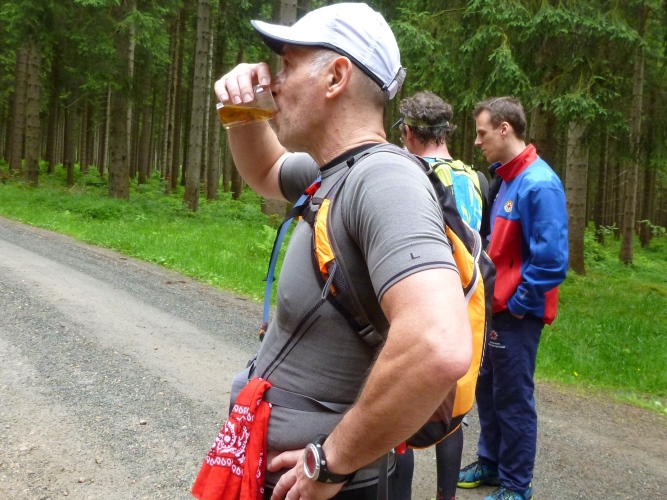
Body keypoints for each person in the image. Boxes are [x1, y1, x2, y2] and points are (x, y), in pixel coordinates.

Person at [202, 3, 474, 500]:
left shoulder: (384, 180)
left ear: (336, 76)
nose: (274, 82)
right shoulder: (334, 172)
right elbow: (265, 171)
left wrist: (330, 462)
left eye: (287, 66)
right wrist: (244, 111)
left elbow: (438, 343)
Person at [457, 97, 568, 500]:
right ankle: (490, 463)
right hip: (494, 309)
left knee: (513, 398)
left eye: (482, 132)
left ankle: (517, 485)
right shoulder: (504, 179)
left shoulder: (540, 184)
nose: (477, 141)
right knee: (488, 390)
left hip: (517, 314)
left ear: (505, 129)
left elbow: (552, 261)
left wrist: (519, 304)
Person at [392, 90, 489, 500]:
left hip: (421, 303)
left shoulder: (405, 176)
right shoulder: (475, 178)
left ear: (409, 132)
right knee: (454, 410)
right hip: (466, 306)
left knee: (400, 417)